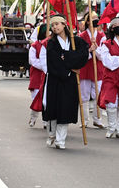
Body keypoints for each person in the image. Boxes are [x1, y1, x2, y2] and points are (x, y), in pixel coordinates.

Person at [43, 14, 89, 150]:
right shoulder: (51, 43)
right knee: (54, 109)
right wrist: (70, 66)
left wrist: (66, 57)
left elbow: (82, 56)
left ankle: (61, 139)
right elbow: (53, 61)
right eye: (53, 25)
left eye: (57, 24)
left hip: (70, 81)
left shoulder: (75, 41)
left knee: (65, 108)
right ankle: (52, 134)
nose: (55, 27)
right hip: (56, 78)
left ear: (64, 25)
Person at [78, 11, 105, 129]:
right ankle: (84, 121)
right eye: (93, 18)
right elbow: (79, 54)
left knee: (98, 95)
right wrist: (89, 50)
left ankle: (97, 119)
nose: (96, 20)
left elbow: (102, 55)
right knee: (84, 96)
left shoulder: (102, 36)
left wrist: (96, 48)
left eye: (97, 18)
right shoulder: (81, 36)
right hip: (85, 69)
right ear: (88, 21)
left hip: (97, 68)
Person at [28, 23, 48, 128]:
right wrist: (44, 66)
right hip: (37, 75)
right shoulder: (34, 46)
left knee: (46, 99)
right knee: (36, 98)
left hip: (48, 75)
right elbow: (32, 61)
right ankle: (33, 118)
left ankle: (46, 121)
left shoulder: (52, 44)